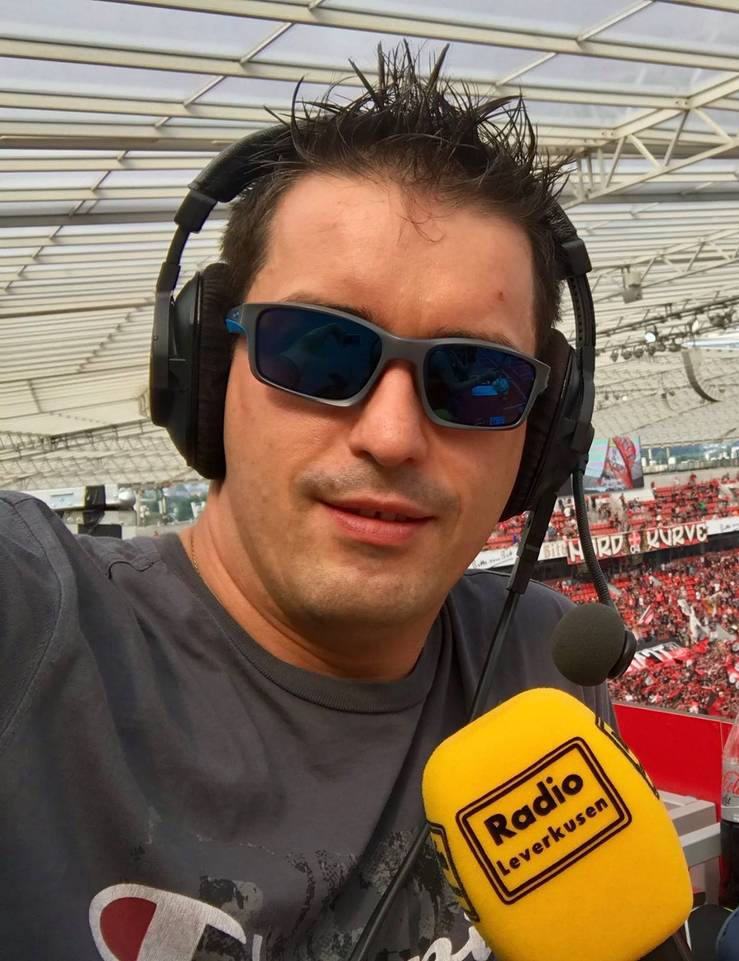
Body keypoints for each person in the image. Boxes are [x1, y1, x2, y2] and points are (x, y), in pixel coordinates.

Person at [0, 47, 612, 959]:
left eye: (475, 377)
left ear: (544, 433)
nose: (392, 435)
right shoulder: (35, 618)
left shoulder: (545, 664)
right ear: (209, 371)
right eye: (320, 350)